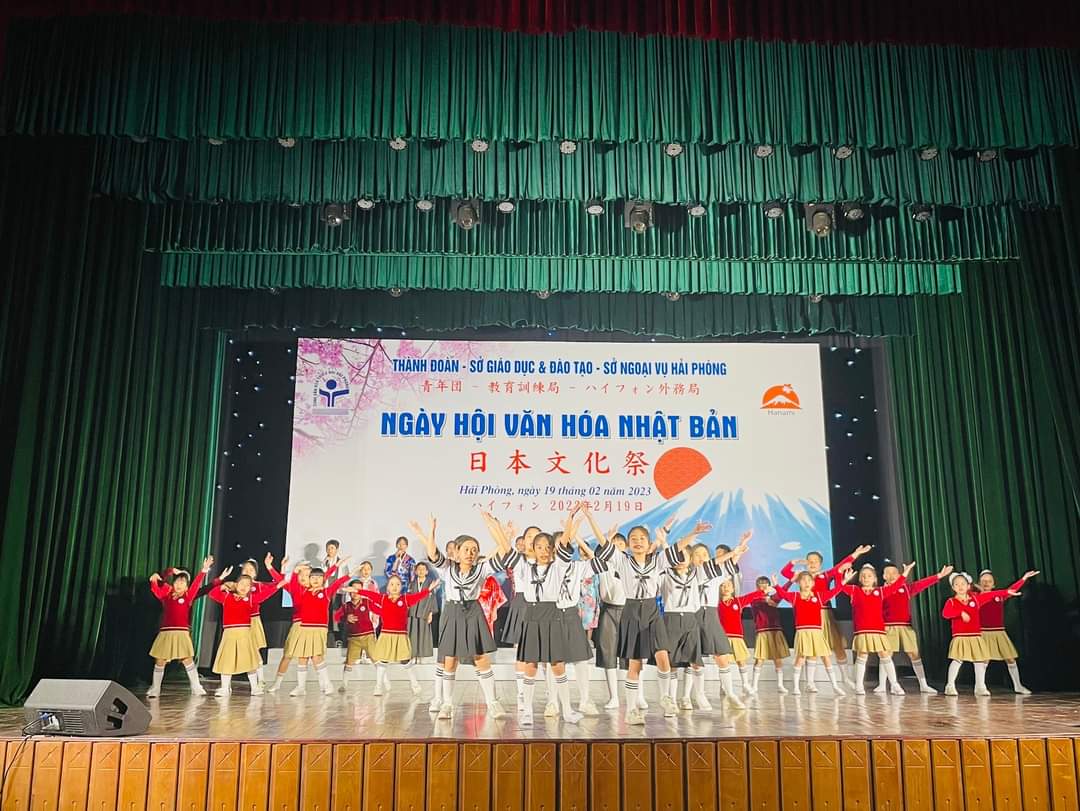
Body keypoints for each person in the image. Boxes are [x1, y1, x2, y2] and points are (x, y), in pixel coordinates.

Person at [594, 514, 712, 724]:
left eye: (642, 538)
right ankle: (631, 710)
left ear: (649, 544)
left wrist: (694, 532)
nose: (637, 542)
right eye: (633, 539)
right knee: (635, 665)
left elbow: (677, 547)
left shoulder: (658, 561)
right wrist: (589, 518)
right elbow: (603, 542)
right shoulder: (622, 561)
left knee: (663, 656)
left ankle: (666, 697)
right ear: (628, 544)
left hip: (651, 611)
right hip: (631, 611)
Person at [410, 516, 512, 720]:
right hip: (452, 613)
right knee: (449, 661)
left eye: (474, 549)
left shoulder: (482, 568)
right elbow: (433, 553)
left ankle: (492, 702)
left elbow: (504, 552)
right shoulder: (446, 568)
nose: (470, 553)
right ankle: (447, 704)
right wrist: (431, 530)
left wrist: (495, 527)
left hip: (473, 612)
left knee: (481, 659)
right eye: (466, 549)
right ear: (456, 552)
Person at [781, 544, 873, 686]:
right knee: (811, 649)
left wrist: (856, 553)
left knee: (837, 645)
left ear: (820, 563)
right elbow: (784, 572)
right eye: (809, 561)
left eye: (815, 561)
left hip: (825, 614)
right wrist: (796, 561)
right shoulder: (801, 577)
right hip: (808, 617)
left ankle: (845, 677)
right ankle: (810, 682)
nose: (812, 563)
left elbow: (841, 566)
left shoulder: (826, 575)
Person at [658, 544, 733, 711]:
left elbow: (716, 564)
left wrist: (735, 552)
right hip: (673, 619)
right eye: (697, 554)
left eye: (704, 554)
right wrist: (663, 543)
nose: (701, 557)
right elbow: (667, 559)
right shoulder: (667, 574)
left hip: (695, 618)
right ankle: (674, 699)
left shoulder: (698, 574)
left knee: (695, 660)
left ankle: (699, 695)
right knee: (674, 662)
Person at [875, 560, 953, 694]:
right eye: (888, 573)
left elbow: (922, 584)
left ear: (899, 574)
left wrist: (939, 576)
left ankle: (923, 685)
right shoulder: (881, 591)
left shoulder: (906, 588)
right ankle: (883, 685)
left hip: (905, 626)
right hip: (888, 627)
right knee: (886, 655)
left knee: (914, 654)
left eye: (894, 573)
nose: (891, 575)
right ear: (883, 576)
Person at [147, 556, 216, 698]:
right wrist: (166, 573)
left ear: (187, 586)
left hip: (181, 632)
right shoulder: (166, 594)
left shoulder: (188, 596)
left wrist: (204, 570)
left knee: (187, 658)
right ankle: (155, 688)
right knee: (160, 660)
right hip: (166, 632)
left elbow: (196, 584)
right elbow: (156, 583)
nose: (179, 584)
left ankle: (196, 686)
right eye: (177, 581)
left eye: (183, 582)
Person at [838, 563, 911, 695]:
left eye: (869, 576)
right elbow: (839, 588)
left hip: (878, 630)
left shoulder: (880, 591)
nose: (866, 578)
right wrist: (843, 579)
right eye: (863, 576)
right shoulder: (855, 590)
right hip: (862, 630)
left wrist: (905, 573)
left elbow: (896, 585)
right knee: (862, 656)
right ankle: (859, 685)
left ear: (875, 578)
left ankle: (895, 684)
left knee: (885, 655)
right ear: (859, 578)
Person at [358, 574, 436, 697]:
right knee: (383, 661)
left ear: (401, 587)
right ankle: (378, 686)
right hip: (386, 635)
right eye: (392, 584)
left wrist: (429, 590)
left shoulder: (405, 599)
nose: (395, 587)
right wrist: (357, 590)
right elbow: (369, 595)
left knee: (405, 661)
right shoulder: (383, 599)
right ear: (388, 587)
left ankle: (414, 684)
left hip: (401, 636)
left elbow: (418, 596)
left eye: (398, 584)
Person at [208, 574, 285, 696]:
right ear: (236, 584)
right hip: (229, 634)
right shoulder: (227, 597)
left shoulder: (250, 599)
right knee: (227, 660)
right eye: (242, 583)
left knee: (249, 661)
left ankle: (254, 688)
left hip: (244, 633)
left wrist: (277, 586)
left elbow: (264, 595)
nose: (244, 587)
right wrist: (222, 586)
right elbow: (212, 593)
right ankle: (225, 688)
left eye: (248, 585)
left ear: (250, 588)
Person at [772, 571, 847, 695]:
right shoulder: (795, 596)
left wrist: (843, 583)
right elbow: (783, 594)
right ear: (798, 583)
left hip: (817, 632)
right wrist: (776, 585)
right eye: (803, 580)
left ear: (813, 583)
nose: (806, 583)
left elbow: (834, 591)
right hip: (803, 632)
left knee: (825, 657)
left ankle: (835, 686)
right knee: (800, 658)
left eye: (809, 580)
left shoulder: (819, 596)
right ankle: (796, 687)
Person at [285, 562, 352, 696]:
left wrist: (349, 573)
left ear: (323, 579)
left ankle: (327, 684)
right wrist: (295, 572)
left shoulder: (326, 592)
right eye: (313, 577)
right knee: (302, 657)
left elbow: (337, 583)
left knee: (316, 657)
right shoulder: (303, 592)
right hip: (304, 628)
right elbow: (293, 587)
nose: (316, 579)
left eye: (319, 577)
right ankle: (301, 687)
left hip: (318, 629)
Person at [942, 571, 1009, 696]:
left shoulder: (975, 599)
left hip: (975, 635)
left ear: (968, 586)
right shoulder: (951, 601)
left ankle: (980, 687)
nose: (960, 586)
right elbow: (946, 613)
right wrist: (960, 613)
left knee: (979, 661)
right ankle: (950, 685)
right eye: (957, 584)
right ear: (953, 587)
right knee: (958, 660)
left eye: (963, 584)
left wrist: (1007, 592)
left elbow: (992, 594)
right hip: (960, 636)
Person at [974, 568, 1039, 694]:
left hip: (999, 632)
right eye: (983, 581)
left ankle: (1018, 686)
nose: (986, 583)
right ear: (979, 583)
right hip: (984, 632)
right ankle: (980, 687)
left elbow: (1012, 590)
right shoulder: (976, 597)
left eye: (989, 581)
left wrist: (1024, 578)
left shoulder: (999, 596)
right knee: (984, 660)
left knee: (1010, 659)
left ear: (994, 584)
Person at [238, 553, 279, 688]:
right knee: (243, 653)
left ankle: (260, 680)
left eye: (251, 570)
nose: (248, 571)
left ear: (255, 573)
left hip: (253, 621)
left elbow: (276, 584)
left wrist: (269, 566)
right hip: (238, 623)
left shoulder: (259, 585)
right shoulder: (235, 586)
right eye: (245, 569)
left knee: (254, 651)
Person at [745, 576, 790, 693]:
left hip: (775, 630)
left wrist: (790, 581)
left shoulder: (773, 598)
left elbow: (782, 593)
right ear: (757, 586)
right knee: (760, 659)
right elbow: (763, 600)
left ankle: (780, 685)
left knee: (778, 659)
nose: (763, 585)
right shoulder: (754, 599)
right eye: (760, 583)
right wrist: (765, 594)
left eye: (766, 583)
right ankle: (754, 686)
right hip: (763, 631)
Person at [336, 581, 380, 689]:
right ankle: (344, 684)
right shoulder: (346, 606)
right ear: (349, 592)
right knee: (349, 662)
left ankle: (384, 682)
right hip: (353, 638)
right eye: (353, 590)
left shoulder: (367, 602)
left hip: (368, 636)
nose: (355, 593)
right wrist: (345, 618)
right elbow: (336, 617)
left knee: (376, 659)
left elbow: (380, 611)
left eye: (358, 590)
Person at [407, 562, 438, 664]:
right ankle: (412, 655)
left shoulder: (430, 584)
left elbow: (432, 598)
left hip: (425, 611)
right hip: (413, 612)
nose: (421, 571)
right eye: (419, 569)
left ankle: (421, 655)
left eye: (423, 569)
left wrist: (430, 613)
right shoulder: (411, 584)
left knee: (423, 634)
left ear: (427, 571)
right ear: (415, 571)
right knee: (412, 633)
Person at [324, 540, 350, 645]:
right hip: (326, 592)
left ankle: (338, 638)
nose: (330, 550)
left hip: (338, 592)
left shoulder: (342, 563)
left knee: (336, 615)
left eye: (332, 548)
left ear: (337, 549)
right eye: (328, 548)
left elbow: (346, 578)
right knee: (326, 614)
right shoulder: (324, 562)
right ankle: (327, 638)